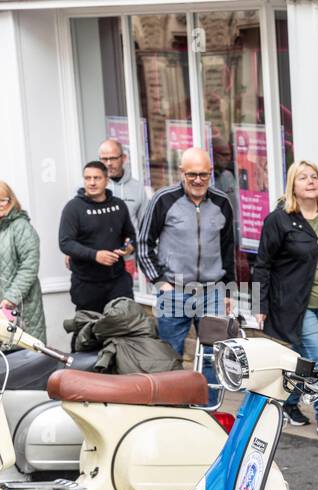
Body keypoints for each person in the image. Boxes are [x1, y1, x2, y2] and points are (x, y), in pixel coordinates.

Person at [252, 161, 318, 439]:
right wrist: (260, 304)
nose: (310, 181)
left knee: (301, 358)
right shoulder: (280, 219)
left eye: (314, 177)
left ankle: (290, 404)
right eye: (303, 177)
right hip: (292, 303)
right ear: (292, 185)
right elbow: (263, 264)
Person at [137, 146, 237, 400]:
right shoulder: (163, 200)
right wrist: (160, 282)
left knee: (213, 355)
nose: (197, 180)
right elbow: (143, 243)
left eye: (203, 174)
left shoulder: (222, 202)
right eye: (191, 174)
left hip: (213, 292)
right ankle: (171, 410)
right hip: (174, 291)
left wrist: (228, 290)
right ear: (181, 172)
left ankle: (208, 410)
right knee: (169, 355)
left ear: (211, 173)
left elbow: (228, 249)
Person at [57, 160, 136, 313]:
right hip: (87, 284)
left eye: (97, 178)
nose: (92, 183)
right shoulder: (74, 208)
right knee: (88, 333)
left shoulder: (119, 205)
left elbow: (130, 235)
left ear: (106, 180)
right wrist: (95, 255)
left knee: (124, 329)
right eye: (87, 178)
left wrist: (129, 247)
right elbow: (65, 242)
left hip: (118, 281)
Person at [0, 181, 46, 342]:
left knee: (24, 358)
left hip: (19, 305)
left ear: (11, 201)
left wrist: (10, 298)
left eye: (2, 201)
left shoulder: (21, 227)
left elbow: (29, 267)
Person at [98, 139, 148, 228]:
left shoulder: (137, 187)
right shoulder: (90, 188)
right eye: (104, 159)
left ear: (124, 158)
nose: (109, 163)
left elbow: (145, 224)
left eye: (113, 158)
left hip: (131, 241)